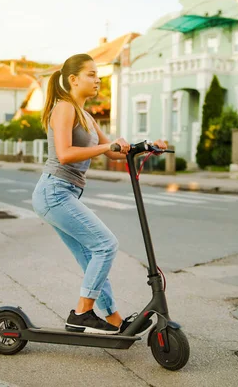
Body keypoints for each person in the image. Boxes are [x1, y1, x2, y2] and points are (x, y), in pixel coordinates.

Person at [31, 53, 167, 335]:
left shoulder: (88, 117)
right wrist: (107, 148)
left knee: (93, 256)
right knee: (106, 245)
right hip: (54, 191)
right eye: (91, 74)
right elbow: (66, 154)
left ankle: (114, 321)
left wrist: (147, 146)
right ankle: (81, 313)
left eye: (98, 75)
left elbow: (116, 152)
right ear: (73, 79)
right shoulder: (64, 108)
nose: (98, 79)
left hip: (65, 193)